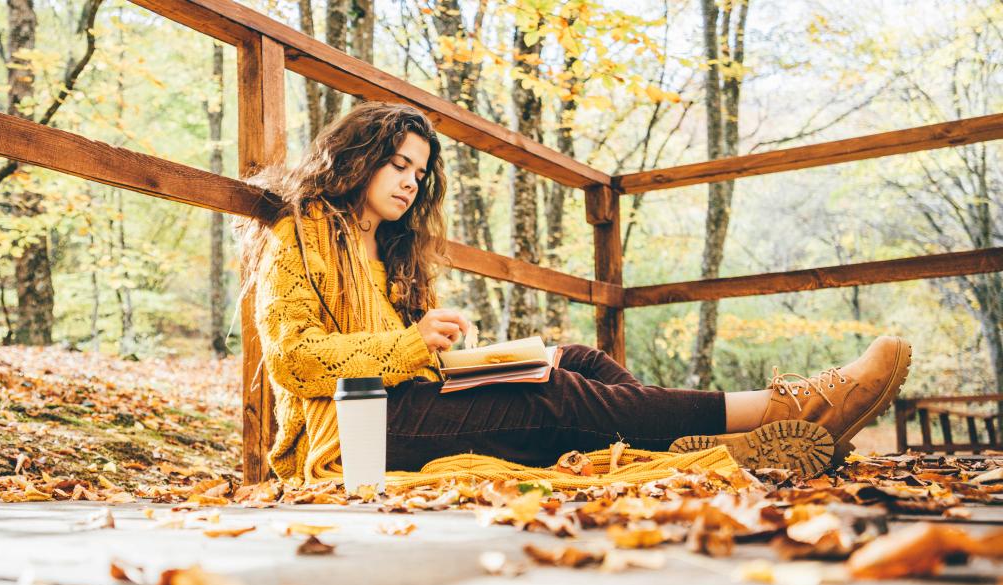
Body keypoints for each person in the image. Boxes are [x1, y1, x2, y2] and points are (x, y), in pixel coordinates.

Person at [238, 102, 911, 484]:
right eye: (398, 163)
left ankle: (691, 437)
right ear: (358, 158)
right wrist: (408, 345)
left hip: (409, 401)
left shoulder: (388, 251)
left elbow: (408, 355)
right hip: (351, 434)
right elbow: (294, 360)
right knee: (552, 394)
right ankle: (784, 407)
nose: (411, 180)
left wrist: (434, 345)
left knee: (576, 361)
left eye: (419, 170)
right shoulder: (301, 236)